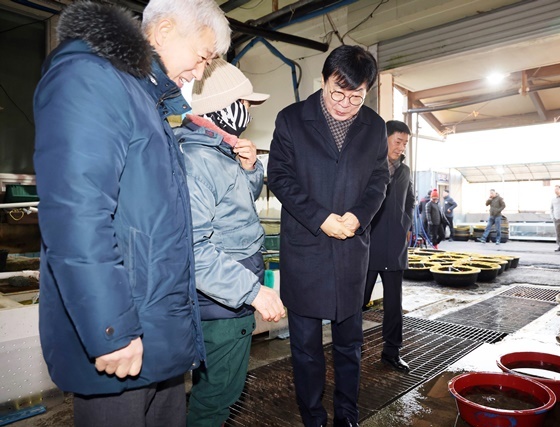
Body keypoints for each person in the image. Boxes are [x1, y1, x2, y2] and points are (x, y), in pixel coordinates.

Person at [32, 1, 230, 425]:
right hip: (122, 339)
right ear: (165, 31)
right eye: (202, 57)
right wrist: (111, 329)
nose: (199, 73)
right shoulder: (90, 79)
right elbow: (77, 216)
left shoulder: (147, 101)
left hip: (156, 334)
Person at [267, 45, 389, 427]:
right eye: (338, 93)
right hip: (306, 249)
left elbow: (379, 179)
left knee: (350, 344)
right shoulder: (292, 120)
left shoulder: (375, 127)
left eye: (356, 97)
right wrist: (320, 218)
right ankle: (313, 417)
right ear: (323, 81)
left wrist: (359, 216)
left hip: (351, 250)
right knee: (305, 348)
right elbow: (280, 177)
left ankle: (347, 415)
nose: (345, 104)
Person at [175, 59, 286, 427]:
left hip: (228, 295)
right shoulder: (198, 160)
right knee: (216, 398)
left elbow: (235, 205)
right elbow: (194, 249)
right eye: (246, 104)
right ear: (225, 107)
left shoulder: (219, 150)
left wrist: (250, 169)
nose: (249, 112)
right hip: (220, 302)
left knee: (217, 391)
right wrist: (251, 291)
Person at [362, 120, 414, 373]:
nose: (401, 147)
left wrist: (406, 225)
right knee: (358, 300)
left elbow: (410, 200)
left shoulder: (404, 170)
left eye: (405, 143)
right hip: (368, 245)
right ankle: (351, 345)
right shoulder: (367, 166)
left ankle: (392, 352)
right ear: (384, 139)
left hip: (394, 246)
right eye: (398, 141)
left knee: (394, 304)